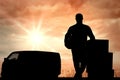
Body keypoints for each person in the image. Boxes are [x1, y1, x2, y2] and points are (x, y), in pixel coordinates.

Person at [64, 13, 95, 79]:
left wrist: (68, 45)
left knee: (80, 66)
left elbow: (92, 38)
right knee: (79, 66)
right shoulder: (82, 28)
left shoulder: (78, 28)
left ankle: (77, 76)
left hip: (81, 49)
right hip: (78, 49)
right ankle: (78, 76)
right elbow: (66, 37)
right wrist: (68, 45)